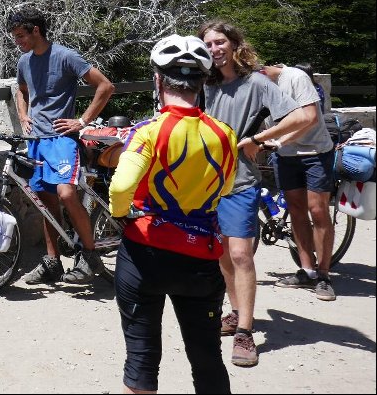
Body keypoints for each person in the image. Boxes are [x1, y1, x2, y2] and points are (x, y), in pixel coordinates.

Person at [110, 35, 238, 394]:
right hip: (201, 259)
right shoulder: (224, 135)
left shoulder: (148, 131)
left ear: (158, 81)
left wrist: (121, 214)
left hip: (145, 254)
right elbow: (224, 188)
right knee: (207, 358)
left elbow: (120, 188)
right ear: (201, 83)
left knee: (141, 358)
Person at [197, 20, 317, 367]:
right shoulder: (202, 85)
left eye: (220, 42)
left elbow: (305, 115)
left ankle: (245, 333)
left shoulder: (258, 84)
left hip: (240, 182)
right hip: (205, 186)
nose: (214, 50)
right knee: (221, 254)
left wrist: (260, 140)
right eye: (208, 44)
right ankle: (236, 312)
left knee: (239, 255)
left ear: (234, 45)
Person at [7, 7, 116, 285]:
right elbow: (21, 91)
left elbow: (105, 86)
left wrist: (82, 121)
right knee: (45, 201)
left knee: (67, 194)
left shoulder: (66, 56)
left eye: (21, 36)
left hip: (62, 140)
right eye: (14, 37)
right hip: (37, 141)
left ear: (36, 31)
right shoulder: (24, 62)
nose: (18, 42)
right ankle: (52, 263)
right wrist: (22, 115)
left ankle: (90, 258)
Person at [259, 63, 337, 301]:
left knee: (318, 209)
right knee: (296, 210)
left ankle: (323, 276)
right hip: (285, 157)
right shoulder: (256, 87)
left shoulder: (295, 77)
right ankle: (307, 270)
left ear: (260, 68)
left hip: (316, 153)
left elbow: (311, 117)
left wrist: (280, 141)